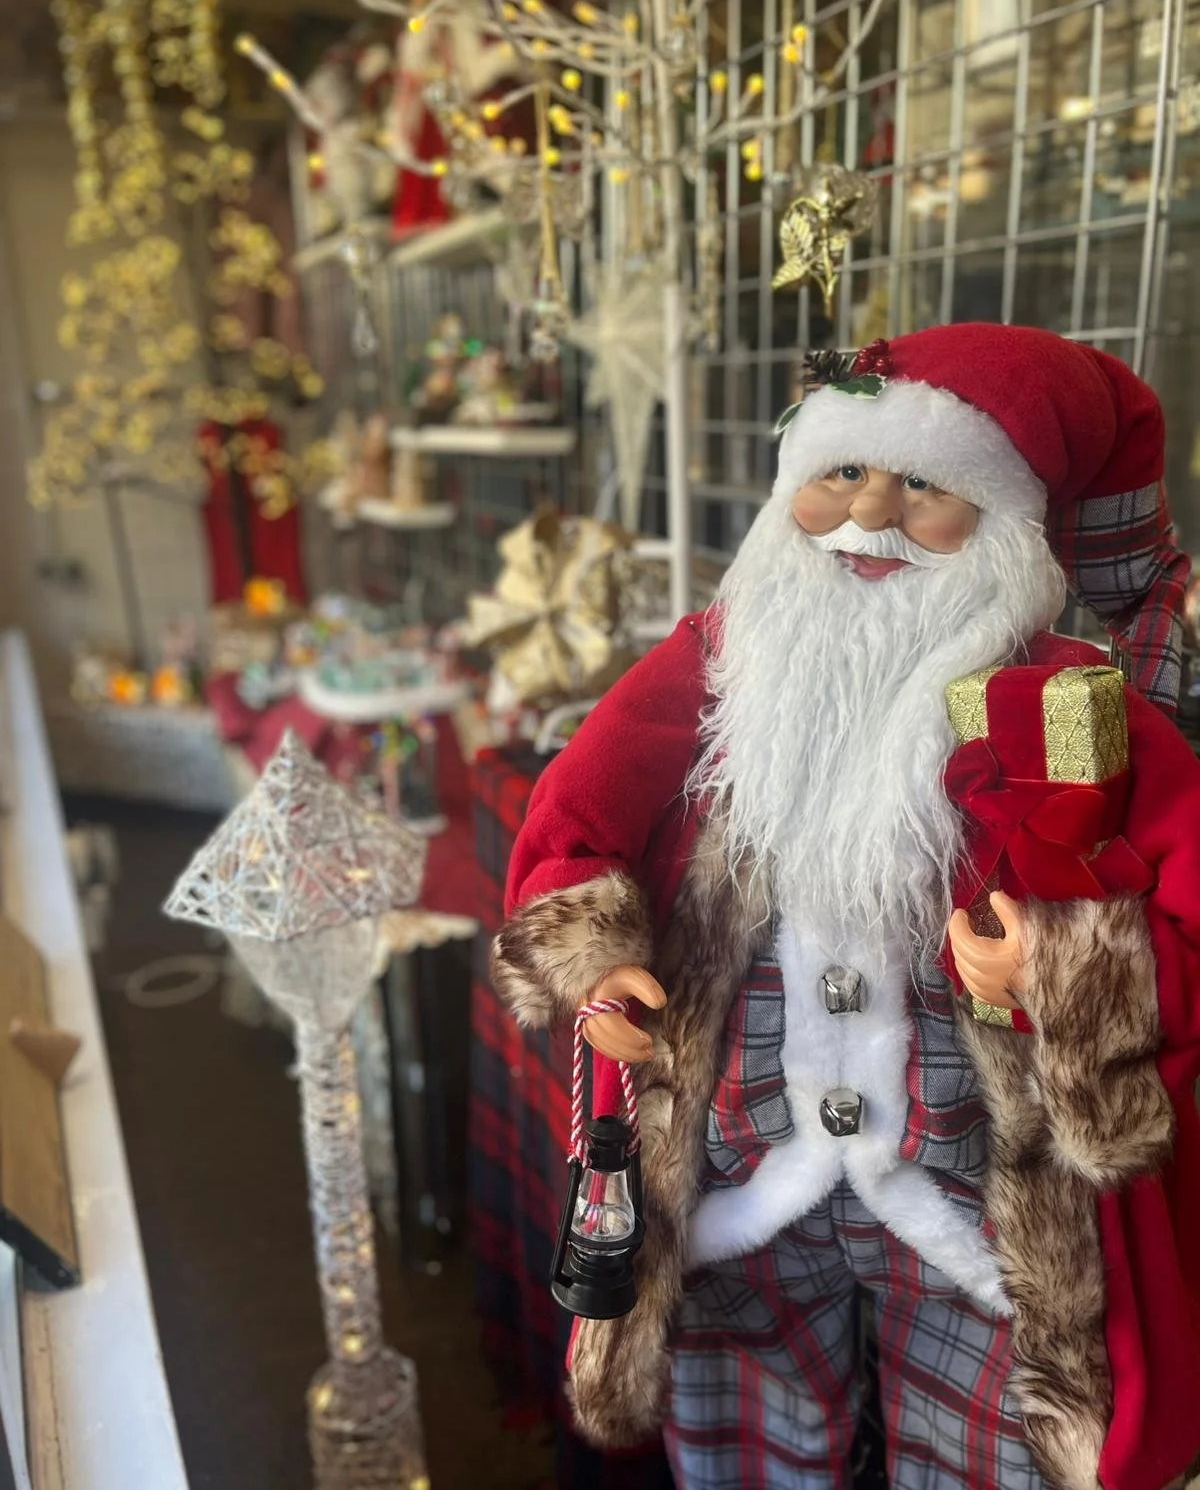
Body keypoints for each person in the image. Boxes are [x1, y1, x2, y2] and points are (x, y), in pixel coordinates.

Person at [491, 324, 1200, 1490]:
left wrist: (1067, 963)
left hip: (975, 1195)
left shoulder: (1071, 698)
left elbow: (1184, 894)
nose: (871, 514)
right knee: (745, 1438)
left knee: (991, 1447)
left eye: (925, 486)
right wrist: (596, 953)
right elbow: (580, 807)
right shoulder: (724, 657)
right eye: (841, 475)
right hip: (740, 1168)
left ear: (1007, 523)